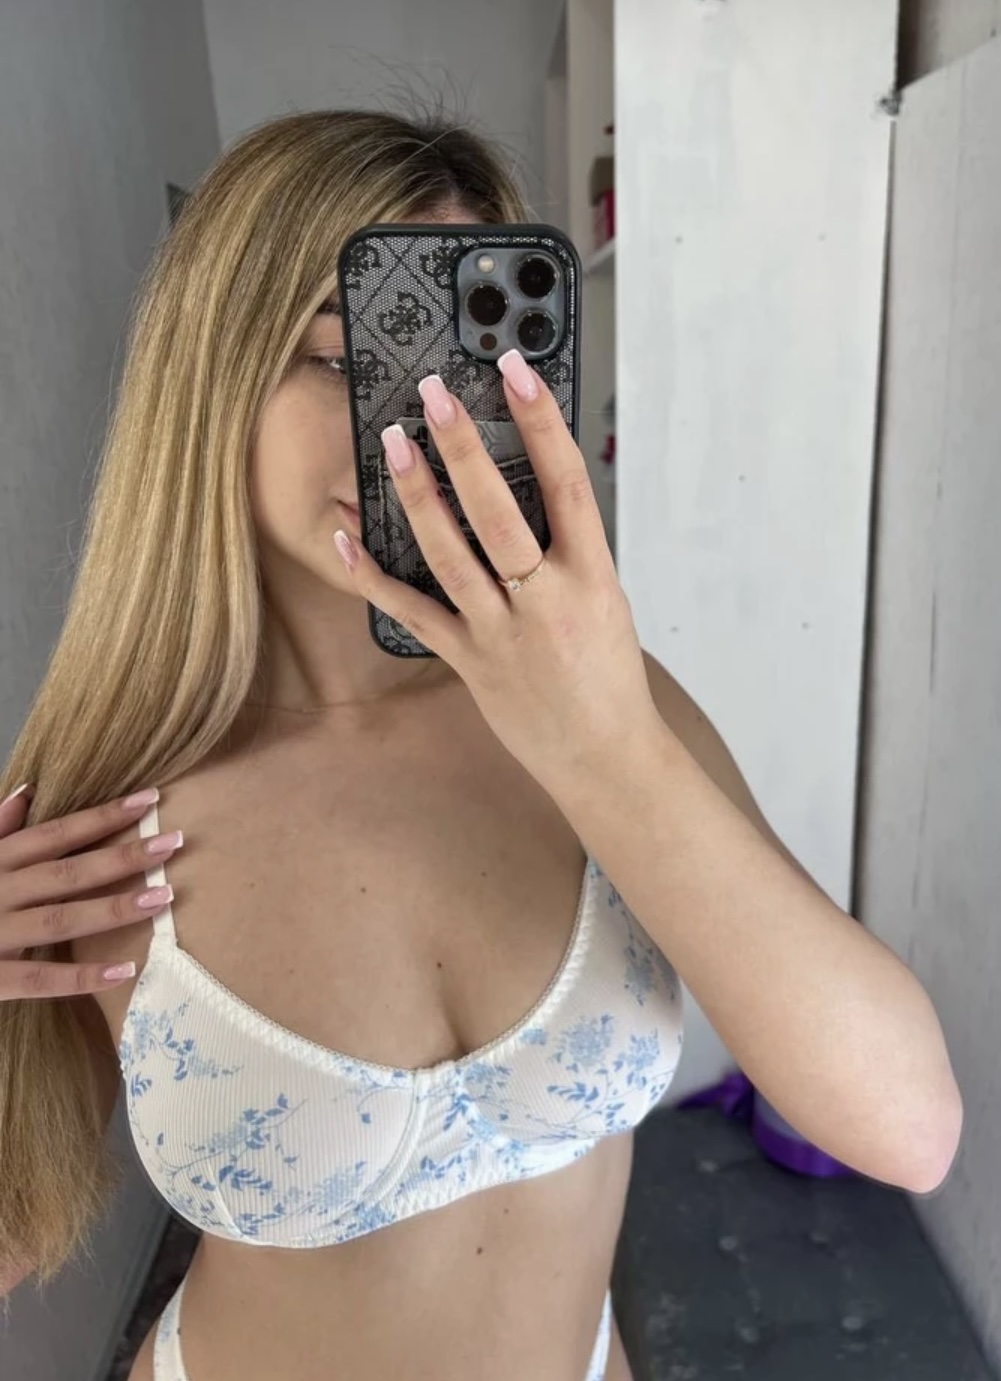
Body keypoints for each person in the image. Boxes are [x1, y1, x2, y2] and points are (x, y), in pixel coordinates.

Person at [0, 109, 961, 1381]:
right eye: (342, 356)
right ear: (211, 376)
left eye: (456, 365)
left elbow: (906, 1128)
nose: (408, 426)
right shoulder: (102, 799)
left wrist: (605, 749)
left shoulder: (601, 708)